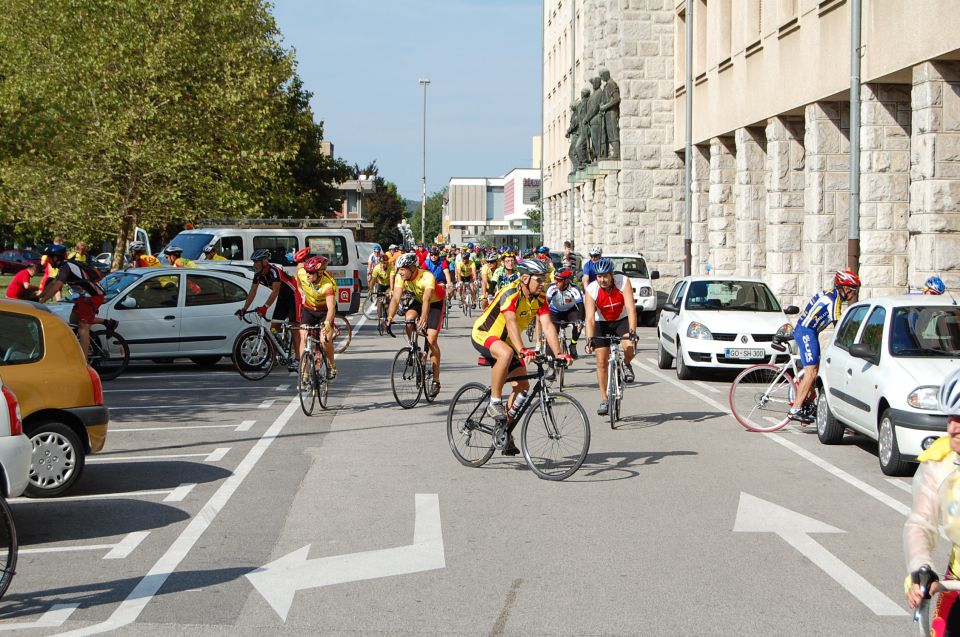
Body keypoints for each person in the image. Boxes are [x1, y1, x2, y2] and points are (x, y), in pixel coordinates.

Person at [471, 259, 571, 455]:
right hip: (484, 334)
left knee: (523, 387)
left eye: (544, 279)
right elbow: (510, 322)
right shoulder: (511, 293)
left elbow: (548, 326)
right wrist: (523, 349)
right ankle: (494, 401)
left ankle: (503, 431)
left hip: (508, 342)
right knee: (506, 353)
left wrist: (558, 353)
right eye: (539, 279)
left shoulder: (540, 297)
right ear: (525, 278)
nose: (543, 283)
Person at [904, 367, 960, 632]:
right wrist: (920, 566)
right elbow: (921, 523)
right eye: (950, 417)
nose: (952, 427)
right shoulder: (941, 462)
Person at [788, 269, 862, 423]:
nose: (854, 295)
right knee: (812, 372)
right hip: (806, 332)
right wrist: (851, 343)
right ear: (846, 288)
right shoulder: (834, 301)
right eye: (854, 291)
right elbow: (839, 325)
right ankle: (795, 409)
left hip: (809, 332)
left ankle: (805, 405)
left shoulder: (830, 294)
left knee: (814, 370)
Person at [37, 245, 116, 356]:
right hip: (85, 297)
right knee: (73, 319)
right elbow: (53, 283)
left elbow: (56, 288)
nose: (47, 261)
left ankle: (84, 362)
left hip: (92, 297)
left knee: (83, 328)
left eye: (49, 258)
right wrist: (40, 295)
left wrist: (41, 301)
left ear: (56, 258)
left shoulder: (66, 267)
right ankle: (107, 322)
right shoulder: (63, 267)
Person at [385, 253, 445, 398]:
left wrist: (424, 318)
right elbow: (395, 299)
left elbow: (427, 299)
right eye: (399, 269)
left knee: (431, 340)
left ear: (412, 268)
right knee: (409, 318)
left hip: (435, 302)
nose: (399, 271)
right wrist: (389, 317)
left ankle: (436, 381)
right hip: (418, 300)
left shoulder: (427, 277)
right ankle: (414, 348)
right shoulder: (401, 277)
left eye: (403, 269)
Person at [583, 258, 638, 416]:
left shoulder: (623, 282)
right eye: (599, 276)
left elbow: (631, 308)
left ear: (612, 275)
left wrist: (632, 332)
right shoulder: (592, 289)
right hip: (602, 323)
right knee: (601, 361)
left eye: (605, 276)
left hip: (621, 319)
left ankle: (626, 363)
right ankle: (605, 399)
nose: (602, 280)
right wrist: (589, 339)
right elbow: (590, 318)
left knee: (629, 346)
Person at [236, 249, 302, 368]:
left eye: (256, 262)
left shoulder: (274, 271)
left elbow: (275, 291)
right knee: (273, 328)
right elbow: (253, 291)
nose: (254, 264)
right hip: (282, 298)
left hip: (293, 296)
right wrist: (244, 309)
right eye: (254, 262)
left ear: (264, 262)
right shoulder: (258, 274)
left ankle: (298, 358)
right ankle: (273, 359)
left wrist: (265, 307)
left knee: (294, 327)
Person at [297, 256, 338, 379]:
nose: (307, 274)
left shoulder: (327, 285)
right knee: (303, 336)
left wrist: (327, 322)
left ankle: (331, 365)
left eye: (311, 272)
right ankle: (304, 371)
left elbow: (331, 308)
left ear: (319, 273)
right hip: (309, 309)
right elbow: (298, 279)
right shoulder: (302, 274)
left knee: (324, 340)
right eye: (307, 272)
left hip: (324, 311)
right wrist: (301, 291)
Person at [545, 267, 584, 359]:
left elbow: (581, 306)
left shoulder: (574, 289)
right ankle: (551, 363)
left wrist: (580, 320)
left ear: (566, 281)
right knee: (552, 333)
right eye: (555, 279)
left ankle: (573, 345)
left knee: (578, 324)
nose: (556, 282)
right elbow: (545, 305)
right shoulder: (552, 288)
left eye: (559, 280)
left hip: (570, 311)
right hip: (554, 312)